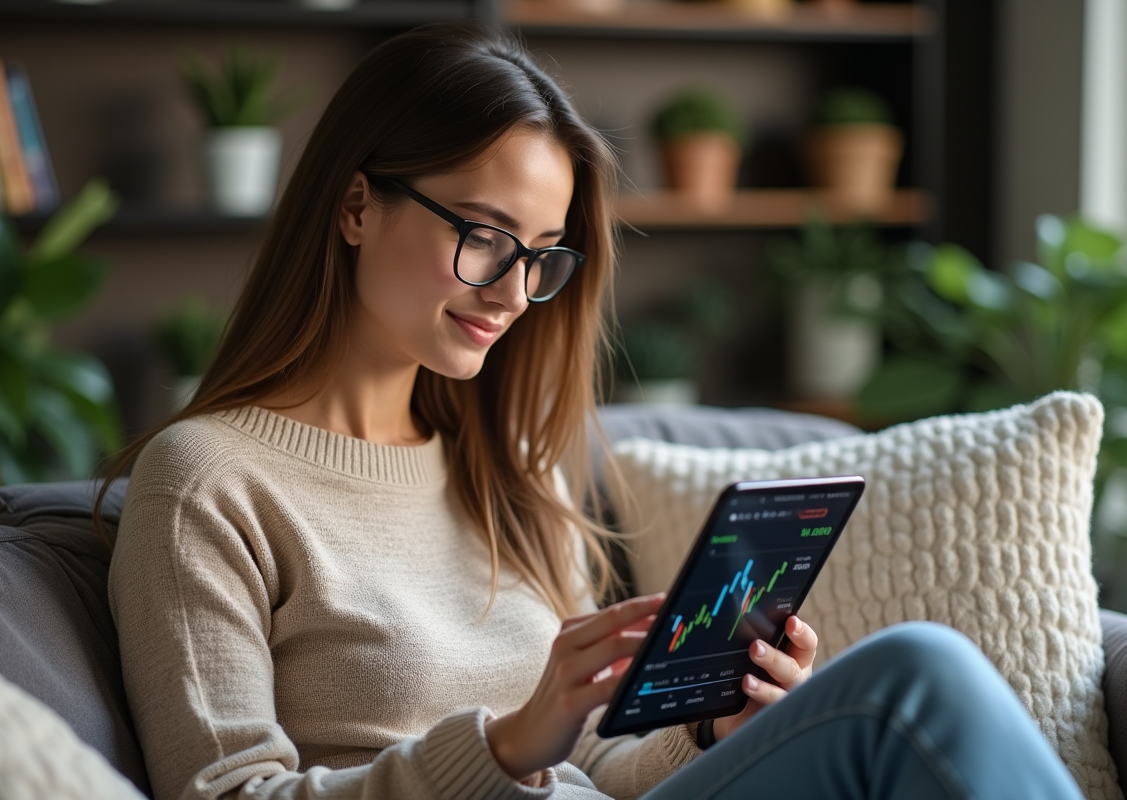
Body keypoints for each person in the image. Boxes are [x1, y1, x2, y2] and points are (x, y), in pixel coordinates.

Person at [99, 21, 1086, 800]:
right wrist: (500, 744)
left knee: (901, 688)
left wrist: (713, 730)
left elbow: (599, 765)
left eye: (540, 257)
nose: (509, 291)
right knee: (915, 678)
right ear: (356, 206)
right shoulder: (207, 480)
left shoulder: (502, 467)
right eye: (482, 236)